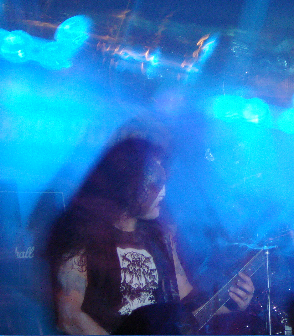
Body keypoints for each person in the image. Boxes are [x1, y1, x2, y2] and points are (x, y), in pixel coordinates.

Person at [45, 138, 254, 334]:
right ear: (128, 183)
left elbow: (186, 301)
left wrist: (232, 304)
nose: (163, 193)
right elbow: (69, 316)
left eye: (164, 184)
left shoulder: (161, 237)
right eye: (155, 184)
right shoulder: (83, 234)